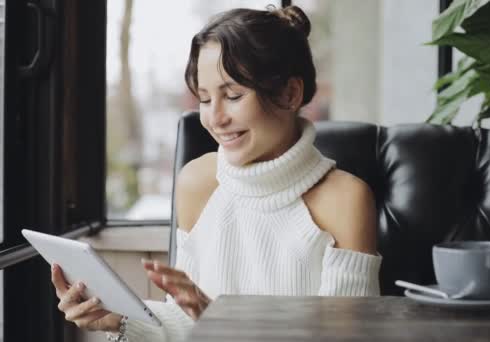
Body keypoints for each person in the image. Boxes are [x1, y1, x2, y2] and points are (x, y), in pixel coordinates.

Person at [50, 5, 382, 342]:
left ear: (290, 94)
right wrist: (119, 320)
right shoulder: (198, 182)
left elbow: (348, 338)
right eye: (205, 99)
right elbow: (190, 319)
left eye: (233, 95)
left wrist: (222, 321)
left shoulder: (345, 200)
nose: (215, 118)